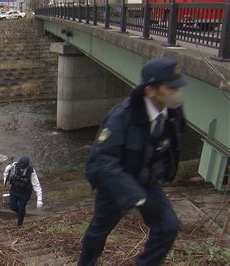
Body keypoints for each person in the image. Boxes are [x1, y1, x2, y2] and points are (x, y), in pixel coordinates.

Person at [78, 58, 187, 266]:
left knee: (168, 227)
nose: (177, 93)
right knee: (98, 232)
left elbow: (171, 145)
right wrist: (137, 198)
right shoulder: (122, 117)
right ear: (150, 91)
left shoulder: (173, 112)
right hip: (115, 185)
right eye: (171, 87)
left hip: (147, 181)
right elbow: (102, 161)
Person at [3, 156, 43, 227]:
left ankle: (19, 224)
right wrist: (5, 182)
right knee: (12, 206)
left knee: (21, 208)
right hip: (14, 190)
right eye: (20, 166)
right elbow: (6, 173)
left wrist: (39, 199)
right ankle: (21, 213)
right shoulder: (13, 166)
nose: (21, 168)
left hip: (25, 192)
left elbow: (36, 185)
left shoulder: (31, 172)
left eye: (23, 167)